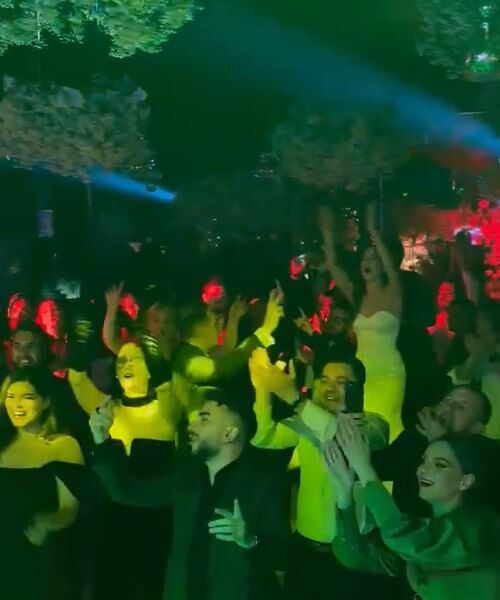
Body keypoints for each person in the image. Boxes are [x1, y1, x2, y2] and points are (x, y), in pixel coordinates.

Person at [89, 386, 291, 600]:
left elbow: (282, 557)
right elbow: (127, 491)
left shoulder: (264, 484)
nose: (192, 426)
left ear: (230, 433)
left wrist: (249, 540)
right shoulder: (187, 476)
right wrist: (101, 439)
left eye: (204, 419)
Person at [249, 347, 388, 600]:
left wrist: (294, 398)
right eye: (324, 380)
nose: (329, 387)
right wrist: (262, 388)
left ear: (358, 389)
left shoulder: (373, 425)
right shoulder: (307, 421)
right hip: (305, 548)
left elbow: (338, 435)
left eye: (341, 382)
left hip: (350, 550)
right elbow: (264, 437)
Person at [325, 419, 500, 600]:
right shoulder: (421, 527)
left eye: (440, 464)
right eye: (424, 461)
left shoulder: (482, 526)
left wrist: (364, 468)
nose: (423, 469)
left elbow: (405, 536)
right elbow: (356, 556)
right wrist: (344, 494)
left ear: (465, 481)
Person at [319, 203, 405, 441]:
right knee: (359, 430)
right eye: (364, 258)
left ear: (382, 265)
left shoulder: (393, 294)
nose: (367, 262)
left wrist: (372, 230)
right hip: (359, 373)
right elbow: (333, 266)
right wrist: (327, 233)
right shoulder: (356, 296)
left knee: (386, 428)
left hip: (389, 372)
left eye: (374, 259)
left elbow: (393, 269)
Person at [0, 369, 83, 600]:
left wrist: (48, 522)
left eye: (27, 397)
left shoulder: (63, 446)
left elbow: (70, 508)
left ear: (45, 401)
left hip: (39, 559)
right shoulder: (2, 443)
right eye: (10, 396)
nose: (17, 404)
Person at [372, 384, 494, 516]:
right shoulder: (415, 438)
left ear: (477, 427)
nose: (448, 407)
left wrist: (438, 441)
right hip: (405, 525)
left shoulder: (490, 455)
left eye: (461, 406)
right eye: (447, 400)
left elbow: (476, 509)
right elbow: (380, 466)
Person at [171, 289, 283, 424]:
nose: (219, 329)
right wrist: (265, 329)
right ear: (197, 329)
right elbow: (221, 368)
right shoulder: (186, 358)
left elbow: (228, 352)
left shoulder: (201, 353)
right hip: (202, 432)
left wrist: (235, 317)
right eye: (214, 323)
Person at [450, 301, 500, 438]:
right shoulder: (471, 343)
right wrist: (475, 355)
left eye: (480, 317)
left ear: (492, 322)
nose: (476, 321)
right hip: (479, 429)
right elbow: (458, 377)